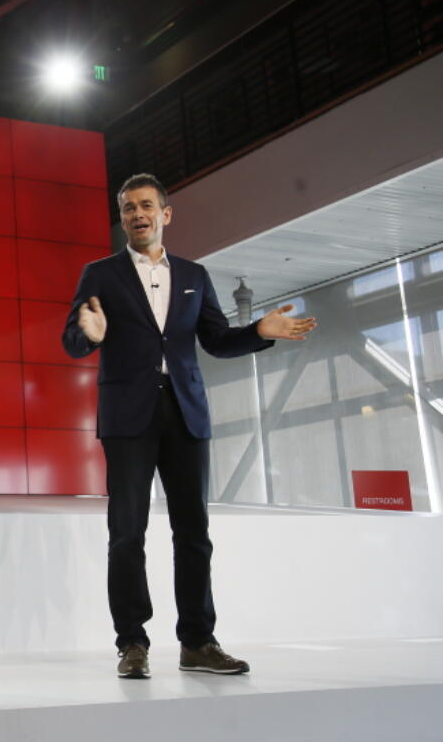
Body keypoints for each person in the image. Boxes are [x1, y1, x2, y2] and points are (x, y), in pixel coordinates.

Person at [61, 173, 316, 679]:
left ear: (166, 214)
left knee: (193, 533)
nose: (137, 214)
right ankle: (132, 643)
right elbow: (73, 340)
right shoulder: (100, 274)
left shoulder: (195, 274)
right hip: (127, 419)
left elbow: (217, 340)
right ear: (123, 217)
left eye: (146, 206)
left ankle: (198, 641)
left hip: (186, 414)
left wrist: (259, 333)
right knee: (126, 535)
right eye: (129, 207)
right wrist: (87, 334)